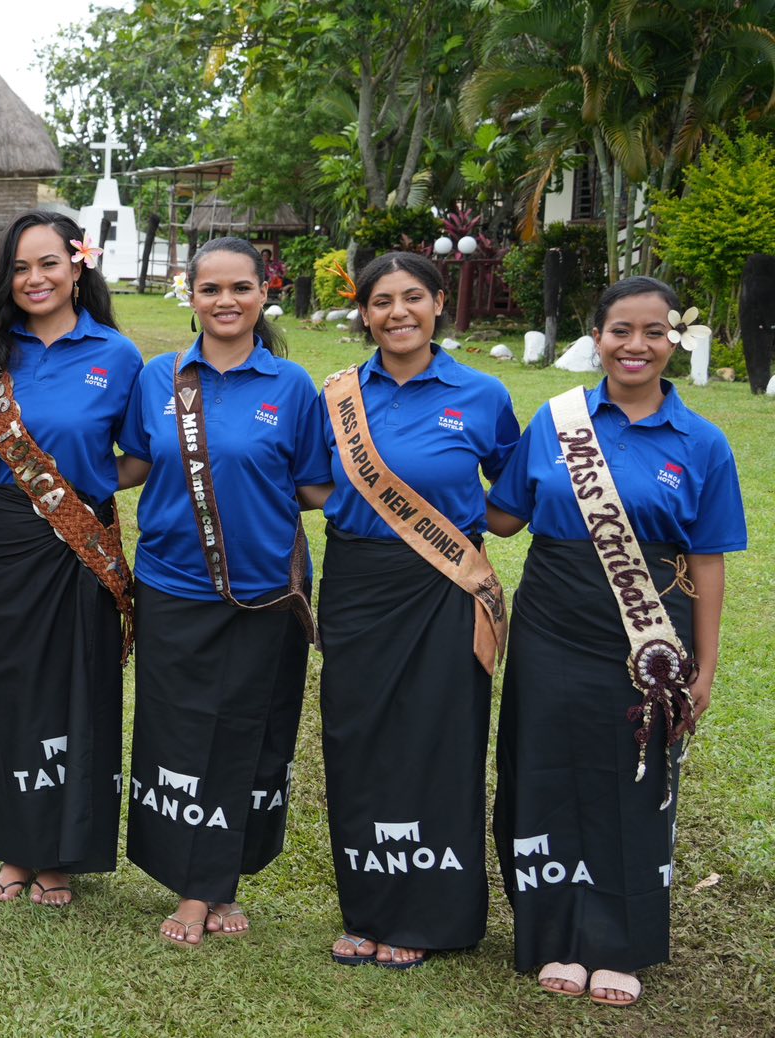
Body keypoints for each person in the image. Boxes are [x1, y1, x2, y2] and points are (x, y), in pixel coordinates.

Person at [486, 277, 744, 1007]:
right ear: (595, 337)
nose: (637, 346)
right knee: (543, 767)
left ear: (676, 341)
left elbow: (708, 559)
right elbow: (504, 517)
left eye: (654, 332)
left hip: (647, 634)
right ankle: (554, 936)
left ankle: (616, 943)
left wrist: (706, 661)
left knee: (635, 779)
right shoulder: (554, 419)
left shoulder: (701, 442)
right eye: (620, 331)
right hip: (551, 621)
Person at [115, 236, 332, 945]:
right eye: (211, 289)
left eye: (241, 287)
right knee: (175, 730)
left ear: (263, 293)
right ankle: (189, 876)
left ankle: (214, 885)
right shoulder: (158, 377)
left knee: (245, 735)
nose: (226, 301)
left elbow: (311, 487)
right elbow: (133, 464)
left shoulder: (292, 387)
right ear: (192, 297)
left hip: (264, 594)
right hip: (173, 584)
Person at [316, 252, 521, 969]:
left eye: (412, 298)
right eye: (381, 301)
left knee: (439, 740)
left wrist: (451, 532)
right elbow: (315, 485)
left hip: (443, 587)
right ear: (364, 314)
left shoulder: (483, 393)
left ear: (438, 303)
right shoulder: (338, 395)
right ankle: (367, 910)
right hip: (356, 582)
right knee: (356, 740)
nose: (397, 313)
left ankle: (430, 916)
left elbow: (509, 507)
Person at [0, 211, 141, 908]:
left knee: (78, 689)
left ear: (78, 265)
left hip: (78, 546)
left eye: (49, 264)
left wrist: (82, 487)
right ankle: (14, 849)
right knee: (2, 692)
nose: (35, 279)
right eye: (21, 268)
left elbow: (143, 454)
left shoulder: (117, 355)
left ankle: (62, 855)